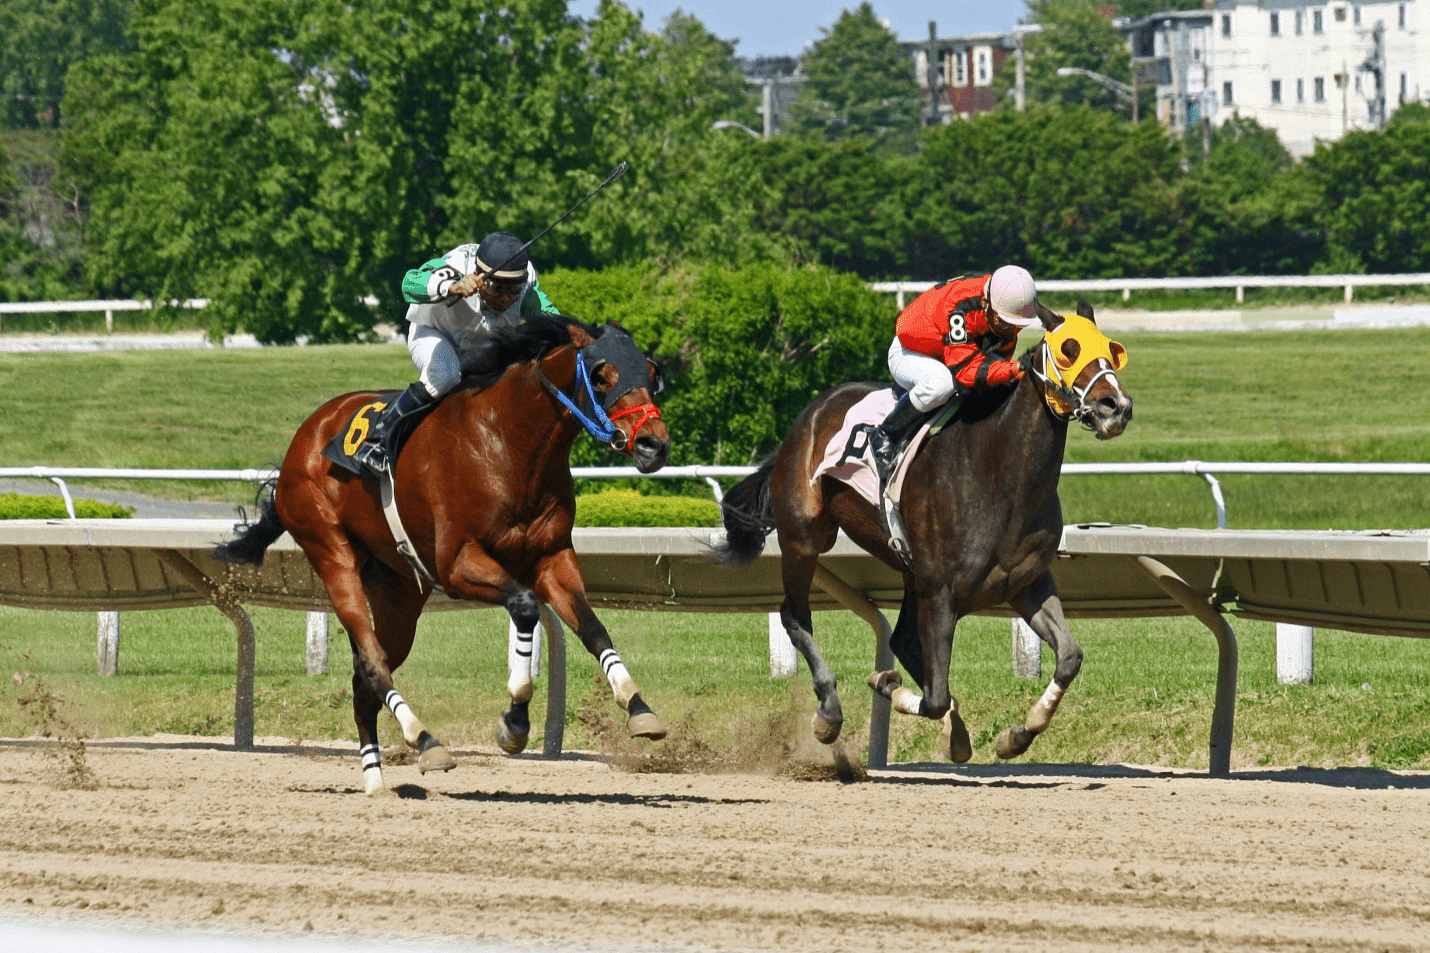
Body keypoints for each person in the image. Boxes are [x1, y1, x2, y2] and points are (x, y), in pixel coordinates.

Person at [353, 231, 562, 475]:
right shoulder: (456, 264)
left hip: (479, 346)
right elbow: (409, 283)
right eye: (497, 288)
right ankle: (379, 440)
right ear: (479, 276)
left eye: (514, 290)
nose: (506, 298)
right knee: (446, 374)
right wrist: (452, 287)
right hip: (432, 333)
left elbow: (552, 320)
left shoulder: (527, 286)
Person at [868, 265, 1039, 485]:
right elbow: (966, 372)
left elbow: (993, 366)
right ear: (986, 303)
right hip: (910, 352)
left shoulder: (1000, 301)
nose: (1012, 331)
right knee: (941, 384)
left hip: (951, 353)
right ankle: (885, 434)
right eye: (1006, 323)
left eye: (1018, 325)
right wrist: (1014, 369)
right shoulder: (960, 304)